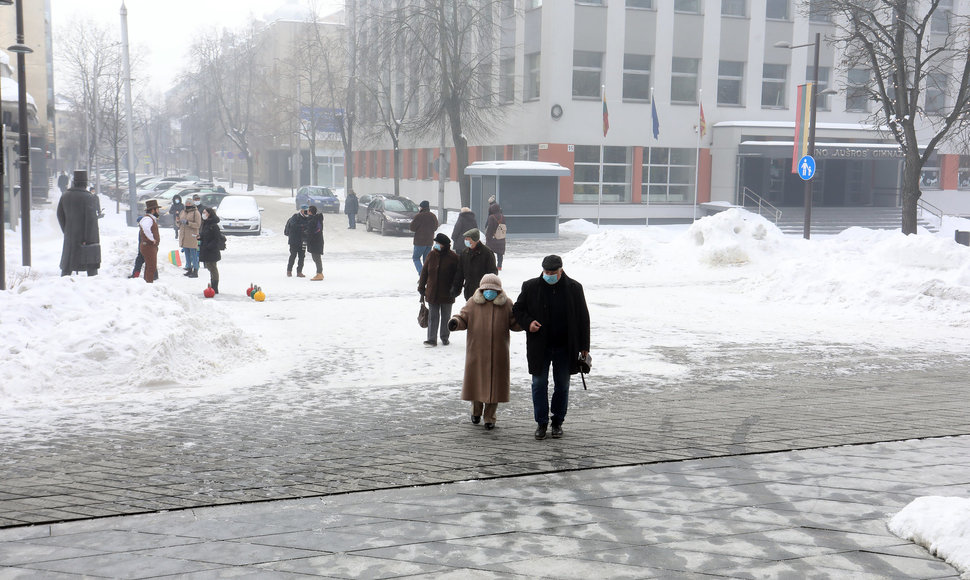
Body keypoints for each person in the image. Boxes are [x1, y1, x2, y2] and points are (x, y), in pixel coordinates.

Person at [512, 254, 590, 441]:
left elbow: (583, 318)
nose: (549, 275)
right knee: (538, 384)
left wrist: (584, 346)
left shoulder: (574, 288)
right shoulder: (530, 286)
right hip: (540, 346)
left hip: (565, 346)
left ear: (561, 270)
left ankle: (557, 421)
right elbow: (518, 309)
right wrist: (528, 323)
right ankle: (541, 422)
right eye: (546, 272)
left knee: (562, 385)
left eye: (552, 272)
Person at [448, 274, 522, 430]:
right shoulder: (473, 303)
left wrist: (525, 322)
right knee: (476, 383)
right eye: (486, 289)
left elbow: (514, 323)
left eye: (493, 290)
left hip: (498, 353)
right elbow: (463, 318)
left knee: (495, 387)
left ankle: (490, 417)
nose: (490, 292)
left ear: (499, 290)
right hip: (477, 352)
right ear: (481, 289)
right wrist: (455, 322)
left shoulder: (506, 303)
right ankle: (476, 411)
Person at [418, 233, 460, 347]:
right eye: (435, 243)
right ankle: (431, 339)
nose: (435, 245)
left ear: (444, 245)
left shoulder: (453, 257)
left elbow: (458, 276)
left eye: (438, 243)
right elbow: (424, 272)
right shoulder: (431, 255)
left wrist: (455, 289)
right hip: (432, 291)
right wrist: (421, 287)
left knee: (446, 316)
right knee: (433, 316)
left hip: (447, 293)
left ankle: (444, 337)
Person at [56, 170, 101, 277]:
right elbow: (91, 221)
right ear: (85, 183)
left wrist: (66, 230)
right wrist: (90, 239)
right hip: (86, 239)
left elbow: (60, 215)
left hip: (70, 236)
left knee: (68, 263)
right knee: (91, 265)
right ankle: (93, 284)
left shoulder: (65, 196)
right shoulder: (88, 197)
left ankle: (63, 281)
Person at [450, 228, 497, 300]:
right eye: (465, 239)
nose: (466, 241)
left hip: (483, 292)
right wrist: (456, 288)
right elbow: (460, 273)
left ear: (475, 240)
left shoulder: (487, 253)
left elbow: (493, 272)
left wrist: (488, 289)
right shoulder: (465, 253)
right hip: (469, 292)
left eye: (468, 239)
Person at [409, 200, 439, 275]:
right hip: (429, 241)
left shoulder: (419, 216)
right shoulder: (433, 216)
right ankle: (427, 276)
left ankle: (422, 274)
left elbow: (412, 228)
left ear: (422, 207)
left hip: (420, 242)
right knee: (426, 260)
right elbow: (435, 227)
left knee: (416, 258)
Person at [198, 206, 223, 294]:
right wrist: (200, 237)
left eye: (205, 213)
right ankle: (213, 285)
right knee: (209, 266)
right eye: (203, 213)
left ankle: (215, 287)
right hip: (206, 249)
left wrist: (209, 246)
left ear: (209, 214)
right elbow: (205, 235)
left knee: (212, 267)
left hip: (212, 250)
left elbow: (216, 238)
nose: (203, 214)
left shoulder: (213, 225)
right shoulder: (206, 223)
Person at [178, 197, 203, 278]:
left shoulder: (196, 213)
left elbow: (198, 225)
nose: (187, 205)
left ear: (192, 204)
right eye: (186, 203)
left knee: (193, 253)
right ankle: (189, 269)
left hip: (192, 236)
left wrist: (188, 223)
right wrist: (178, 221)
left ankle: (195, 270)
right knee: (186, 253)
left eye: (189, 203)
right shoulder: (183, 211)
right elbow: (178, 223)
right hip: (184, 236)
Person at [139, 199, 162, 283]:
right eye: (157, 209)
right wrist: (152, 239)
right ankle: (148, 284)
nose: (158, 211)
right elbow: (145, 228)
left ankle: (146, 283)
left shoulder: (150, 218)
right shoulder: (148, 219)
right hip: (148, 246)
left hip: (149, 246)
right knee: (151, 267)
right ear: (153, 210)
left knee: (149, 266)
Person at [285, 204, 309, 277]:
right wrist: (303, 226)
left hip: (304, 241)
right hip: (294, 241)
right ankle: (289, 271)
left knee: (302, 256)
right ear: (301, 210)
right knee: (293, 255)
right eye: (305, 211)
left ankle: (299, 272)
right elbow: (293, 226)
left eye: (308, 211)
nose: (307, 212)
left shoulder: (308, 218)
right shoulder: (295, 217)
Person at [484, 200, 506, 271]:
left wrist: (488, 236)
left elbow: (490, 228)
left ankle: (491, 265)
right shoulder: (503, 216)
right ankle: (499, 266)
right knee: (500, 253)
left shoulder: (491, 217)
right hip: (501, 237)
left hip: (493, 238)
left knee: (491, 252)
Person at [305, 205, 325, 281]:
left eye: (308, 210)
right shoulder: (314, 219)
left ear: (310, 212)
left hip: (316, 242)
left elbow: (314, 231)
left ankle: (319, 273)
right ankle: (319, 273)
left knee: (317, 258)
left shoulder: (314, 220)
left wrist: (308, 235)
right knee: (315, 257)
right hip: (315, 241)